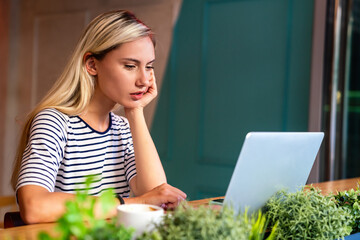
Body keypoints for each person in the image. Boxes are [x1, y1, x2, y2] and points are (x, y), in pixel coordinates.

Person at [10, 10, 186, 224]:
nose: (143, 80)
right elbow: (34, 207)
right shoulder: (54, 122)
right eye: (130, 66)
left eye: (148, 66)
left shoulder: (123, 127)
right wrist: (130, 204)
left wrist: (135, 112)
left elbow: (156, 196)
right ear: (92, 65)